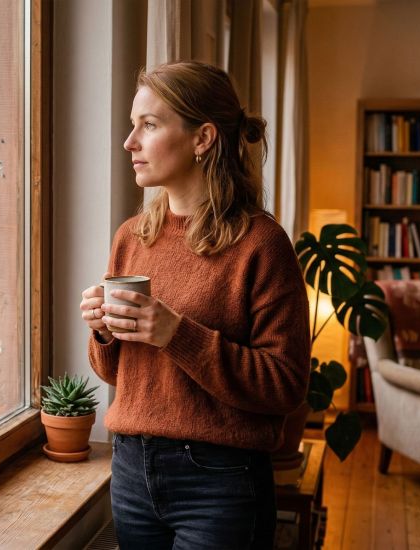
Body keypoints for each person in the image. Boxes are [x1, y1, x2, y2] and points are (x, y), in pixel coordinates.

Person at [79, 61, 309, 549]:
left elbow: (286, 385)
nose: (129, 142)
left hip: (221, 484)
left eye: (150, 125)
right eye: (131, 124)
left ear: (203, 138)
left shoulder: (262, 245)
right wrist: (102, 330)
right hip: (131, 472)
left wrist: (176, 334)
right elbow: (119, 374)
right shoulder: (132, 237)